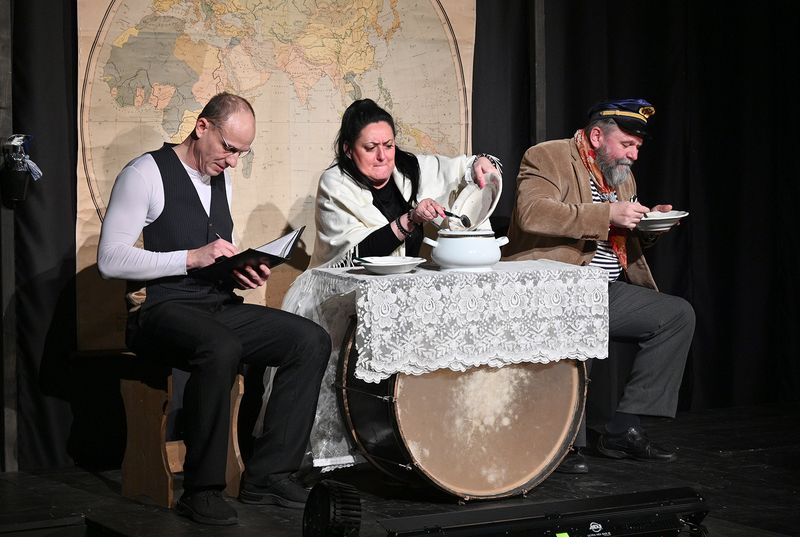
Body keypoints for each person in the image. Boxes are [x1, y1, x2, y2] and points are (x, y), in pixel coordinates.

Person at [97, 92, 330, 525]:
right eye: (229, 148)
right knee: (220, 346)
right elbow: (110, 260)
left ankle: (269, 475)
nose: (234, 161)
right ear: (202, 127)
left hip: (213, 305)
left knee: (309, 340)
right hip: (159, 310)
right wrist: (191, 257)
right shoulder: (144, 174)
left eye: (242, 152)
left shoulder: (218, 175)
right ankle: (201, 490)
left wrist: (238, 271)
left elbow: (212, 257)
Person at [504, 98, 695, 474]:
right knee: (583, 318)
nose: (634, 155)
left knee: (675, 316)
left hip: (604, 286)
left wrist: (649, 223)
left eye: (637, 147)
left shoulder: (622, 176)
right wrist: (607, 213)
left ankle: (622, 429)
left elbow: (620, 235)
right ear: (596, 137)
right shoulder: (547, 156)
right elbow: (532, 213)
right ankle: (561, 444)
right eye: (627, 144)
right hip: (555, 284)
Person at [302, 97, 501, 270]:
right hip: (344, 293)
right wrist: (411, 219)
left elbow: (460, 170)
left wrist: (481, 163)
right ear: (348, 150)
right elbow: (355, 257)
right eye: (370, 148)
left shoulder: (407, 168)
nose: (382, 156)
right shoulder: (335, 184)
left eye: (389, 146)